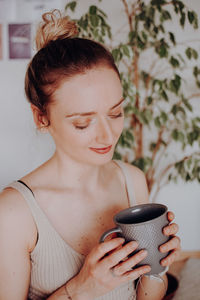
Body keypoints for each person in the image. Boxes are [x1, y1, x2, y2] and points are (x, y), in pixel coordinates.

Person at [0, 9, 181, 300]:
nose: (108, 136)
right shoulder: (13, 212)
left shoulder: (131, 181)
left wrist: (158, 267)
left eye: (116, 112)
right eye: (83, 123)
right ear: (41, 118)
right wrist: (84, 287)